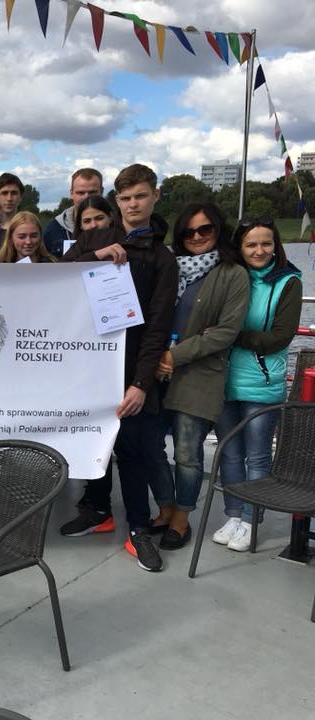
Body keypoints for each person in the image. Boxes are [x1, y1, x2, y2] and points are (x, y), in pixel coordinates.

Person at [60, 163, 178, 573]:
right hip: (89, 365)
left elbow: (158, 327)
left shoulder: (162, 258)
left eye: (140, 196)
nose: (133, 204)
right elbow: (52, 276)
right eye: (125, 198)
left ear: (155, 196)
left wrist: (142, 383)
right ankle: (98, 511)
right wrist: (93, 257)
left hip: (131, 370)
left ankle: (139, 528)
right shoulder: (95, 237)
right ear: (116, 201)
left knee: (132, 453)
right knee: (92, 444)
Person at [154, 203, 250, 550]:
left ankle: (181, 519)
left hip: (198, 376)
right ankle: (165, 506)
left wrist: (173, 355)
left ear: (218, 230)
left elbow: (224, 332)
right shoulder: (169, 267)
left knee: (187, 454)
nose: (196, 236)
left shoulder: (233, 274)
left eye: (205, 229)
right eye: (188, 231)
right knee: (151, 447)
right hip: (156, 373)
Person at [212, 219, 302, 551]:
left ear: (276, 246)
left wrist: (231, 336)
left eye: (266, 243)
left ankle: (251, 520)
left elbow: (280, 337)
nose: (259, 250)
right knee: (229, 453)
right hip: (223, 381)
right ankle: (234, 515)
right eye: (251, 244)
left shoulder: (289, 282)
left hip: (261, 384)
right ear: (240, 247)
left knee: (258, 457)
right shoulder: (230, 277)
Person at [43, 168, 104, 257]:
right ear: (71, 194)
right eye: (80, 193)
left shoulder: (117, 227)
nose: (86, 197)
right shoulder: (53, 230)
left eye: (92, 192)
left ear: (101, 191)